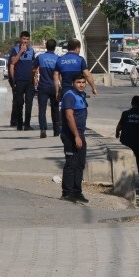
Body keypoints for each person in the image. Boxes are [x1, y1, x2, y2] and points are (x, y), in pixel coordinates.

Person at [60, 73, 90, 203]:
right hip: (70, 135)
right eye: (79, 82)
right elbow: (69, 116)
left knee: (80, 164)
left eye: (83, 82)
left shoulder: (81, 95)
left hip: (80, 134)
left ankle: (77, 192)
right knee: (71, 163)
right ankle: (67, 193)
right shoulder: (69, 96)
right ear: (73, 83)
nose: (82, 84)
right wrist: (76, 136)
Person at [116, 96, 139, 187]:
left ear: (132, 103)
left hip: (127, 141)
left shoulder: (125, 114)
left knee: (125, 161)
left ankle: (124, 180)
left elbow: (119, 126)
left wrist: (117, 134)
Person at [9, 31, 36, 131]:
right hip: (19, 80)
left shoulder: (32, 50)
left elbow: (33, 66)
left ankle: (27, 124)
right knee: (19, 103)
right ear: (21, 39)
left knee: (29, 103)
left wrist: (35, 78)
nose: (26, 41)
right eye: (24, 39)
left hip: (29, 81)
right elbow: (13, 62)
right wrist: (21, 51)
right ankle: (19, 124)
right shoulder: (15, 49)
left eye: (27, 39)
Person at [34, 39, 61, 138]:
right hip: (54, 87)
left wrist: (34, 78)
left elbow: (33, 68)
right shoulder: (58, 59)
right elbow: (60, 75)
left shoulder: (40, 57)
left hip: (43, 87)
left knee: (42, 109)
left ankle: (42, 129)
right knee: (55, 109)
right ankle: (56, 131)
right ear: (55, 47)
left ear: (46, 46)